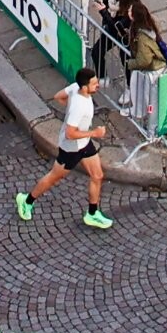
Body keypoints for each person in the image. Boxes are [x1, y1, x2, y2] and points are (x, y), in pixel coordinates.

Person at [20, 75, 112, 229]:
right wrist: (94, 133)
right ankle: (26, 200)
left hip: (84, 143)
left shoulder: (75, 87)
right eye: (94, 83)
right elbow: (70, 134)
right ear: (84, 87)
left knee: (97, 175)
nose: (98, 85)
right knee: (54, 177)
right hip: (71, 148)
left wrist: (70, 112)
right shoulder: (79, 107)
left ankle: (92, 213)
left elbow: (58, 96)